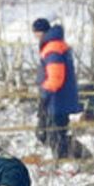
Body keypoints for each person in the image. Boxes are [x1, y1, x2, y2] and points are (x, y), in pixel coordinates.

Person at [32, 18, 82, 158]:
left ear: (40, 32)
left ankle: (69, 159)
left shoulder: (52, 48)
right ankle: (72, 156)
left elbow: (55, 79)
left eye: (35, 33)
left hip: (56, 100)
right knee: (52, 134)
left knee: (54, 135)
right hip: (59, 100)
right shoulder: (56, 45)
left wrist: (44, 95)